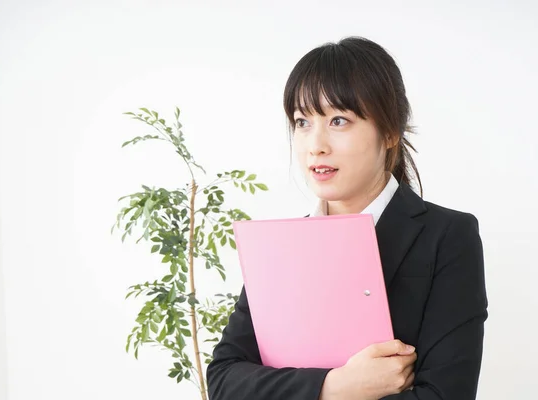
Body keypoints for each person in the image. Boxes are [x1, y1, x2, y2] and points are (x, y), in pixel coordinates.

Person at [206, 36, 488, 400]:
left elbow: (446, 394)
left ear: (390, 131)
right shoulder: (280, 246)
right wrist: (336, 387)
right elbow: (225, 381)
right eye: (302, 122)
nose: (316, 144)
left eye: (339, 120)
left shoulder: (448, 236)